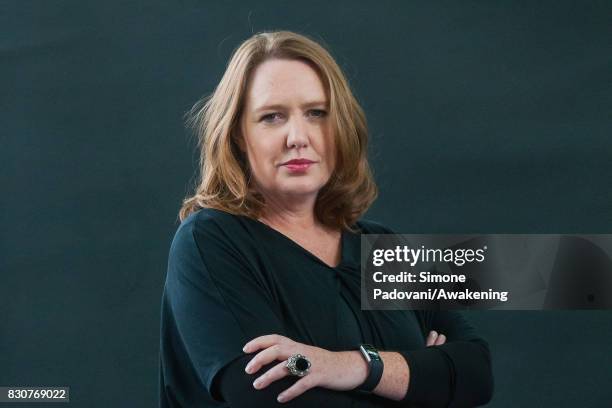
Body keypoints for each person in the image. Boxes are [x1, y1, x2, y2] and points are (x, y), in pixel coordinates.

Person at [159, 30, 494, 408]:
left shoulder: (382, 247)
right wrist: (421, 380)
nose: (298, 137)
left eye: (317, 113)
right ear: (238, 136)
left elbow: (476, 374)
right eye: (272, 117)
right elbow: (271, 396)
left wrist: (353, 367)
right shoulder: (211, 241)